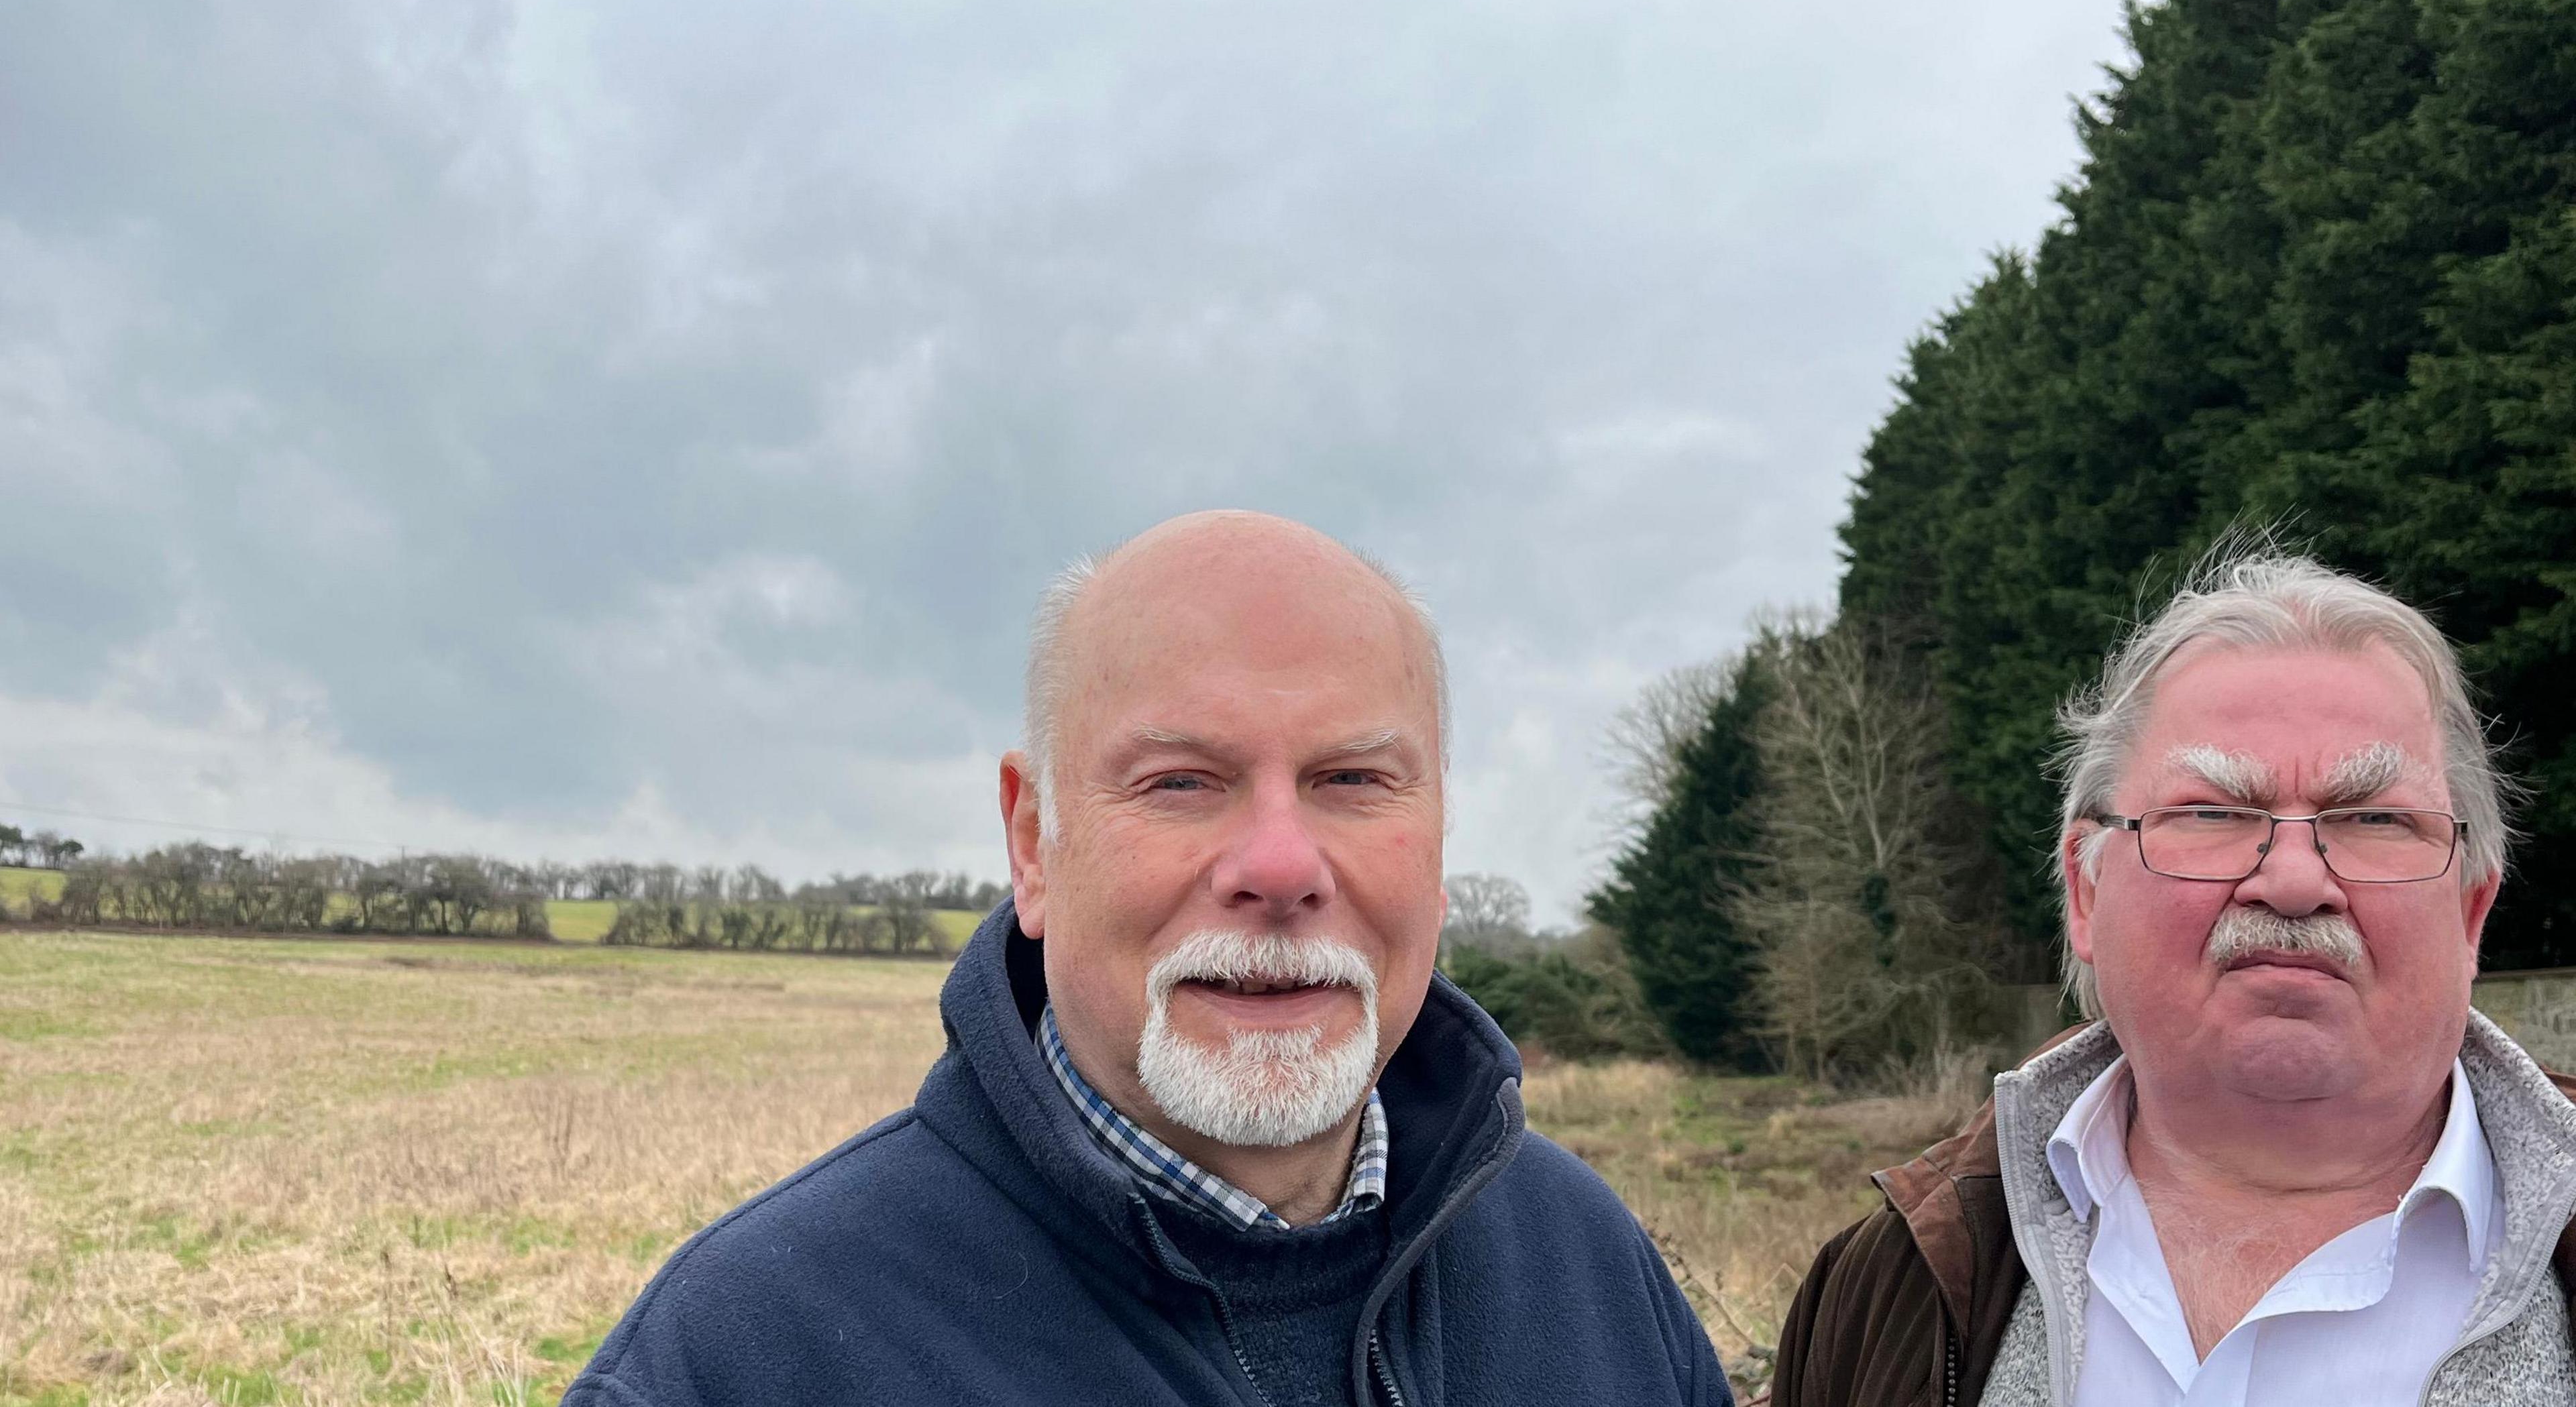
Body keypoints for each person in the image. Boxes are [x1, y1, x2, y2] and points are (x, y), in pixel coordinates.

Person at [565, 510, 1729, 1406]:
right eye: (1180, 780)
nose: (1281, 863)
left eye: (1353, 780)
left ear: (1437, 840)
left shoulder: (1587, 1264)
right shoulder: (745, 1353)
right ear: (1033, 842)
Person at [1767, 549, 2576, 1406]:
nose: (2295, 881)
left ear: (2470, 911)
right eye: (2213, 812)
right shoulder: (1891, 1285)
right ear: (2086, 888)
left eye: (2373, 817)